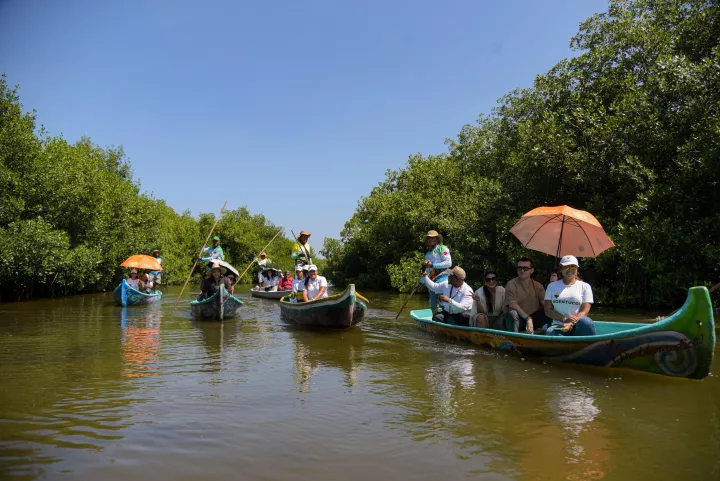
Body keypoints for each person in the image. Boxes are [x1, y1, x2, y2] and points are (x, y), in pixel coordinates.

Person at [544, 255, 596, 336]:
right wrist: (564, 319)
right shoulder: (551, 286)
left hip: (578, 324)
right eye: (566, 267)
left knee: (586, 322)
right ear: (561, 269)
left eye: (573, 267)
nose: (570, 269)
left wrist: (571, 322)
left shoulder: (585, 286)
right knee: (550, 332)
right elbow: (548, 310)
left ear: (577, 269)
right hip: (559, 325)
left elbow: (584, 311)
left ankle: (591, 342)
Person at [504, 257, 551, 334]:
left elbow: (545, 304)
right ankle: (514, 339)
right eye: (519, 268)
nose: (522, 270)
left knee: (549, 310)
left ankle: (552, 333)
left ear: (531, 270)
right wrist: (528, 318)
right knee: (512, 313)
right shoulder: (511, 284)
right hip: (518, 320)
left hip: (533, 320)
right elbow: (512, 304)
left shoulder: (538, 286)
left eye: (525, 268)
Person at [420, 230, 452, 312]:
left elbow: (448, 263)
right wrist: (421, 281)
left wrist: (433, 265)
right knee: (433, 304)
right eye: (429, 238)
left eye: (433, 238)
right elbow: (427, 270)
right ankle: (435, 318)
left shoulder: (442, 248)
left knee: (444, 303)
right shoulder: (428, 254)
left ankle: (445, 317)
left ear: (437, 239)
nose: (431, 240)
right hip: (432, 281)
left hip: (443, 280)